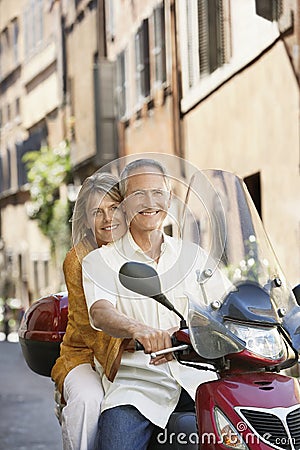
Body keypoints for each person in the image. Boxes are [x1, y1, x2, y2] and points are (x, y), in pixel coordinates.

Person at [82, 158, 220, 450]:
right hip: (137, 388)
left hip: (198, 381)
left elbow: (225, 303)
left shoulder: (193, 256)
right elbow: (100, 311)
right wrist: (139, 330)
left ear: (169, 198)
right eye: (138, 194)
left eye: (158, 192)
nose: (150, 202)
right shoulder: (101, 260)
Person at [51, 172, 128, 450]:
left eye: (114, 208)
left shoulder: (138, 248)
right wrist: (133, 341)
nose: (108, 219)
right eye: (98, 212)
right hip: (85, 355)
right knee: (88, 399)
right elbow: (90, 327)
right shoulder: (78, 259)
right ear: (85, 219)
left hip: (134, 352)